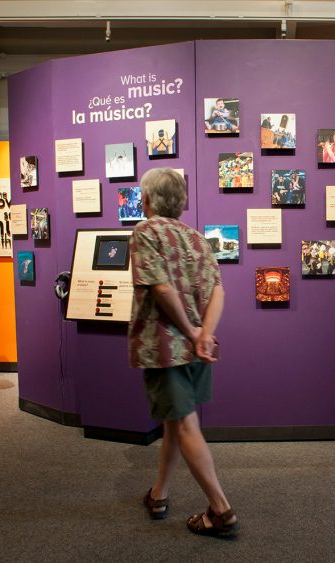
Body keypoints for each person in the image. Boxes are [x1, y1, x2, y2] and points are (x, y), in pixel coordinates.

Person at [129, 168, 239, 538]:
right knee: (174, 422)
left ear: (147, 199)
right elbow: (218, 290)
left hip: (166, 348)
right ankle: (158, 495)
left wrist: (191, 332)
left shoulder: (145, 232)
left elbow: (160, 288)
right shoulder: (197, 238)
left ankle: (220, 510)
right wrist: (204, 334)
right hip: (196, 349)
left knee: (185, 424)